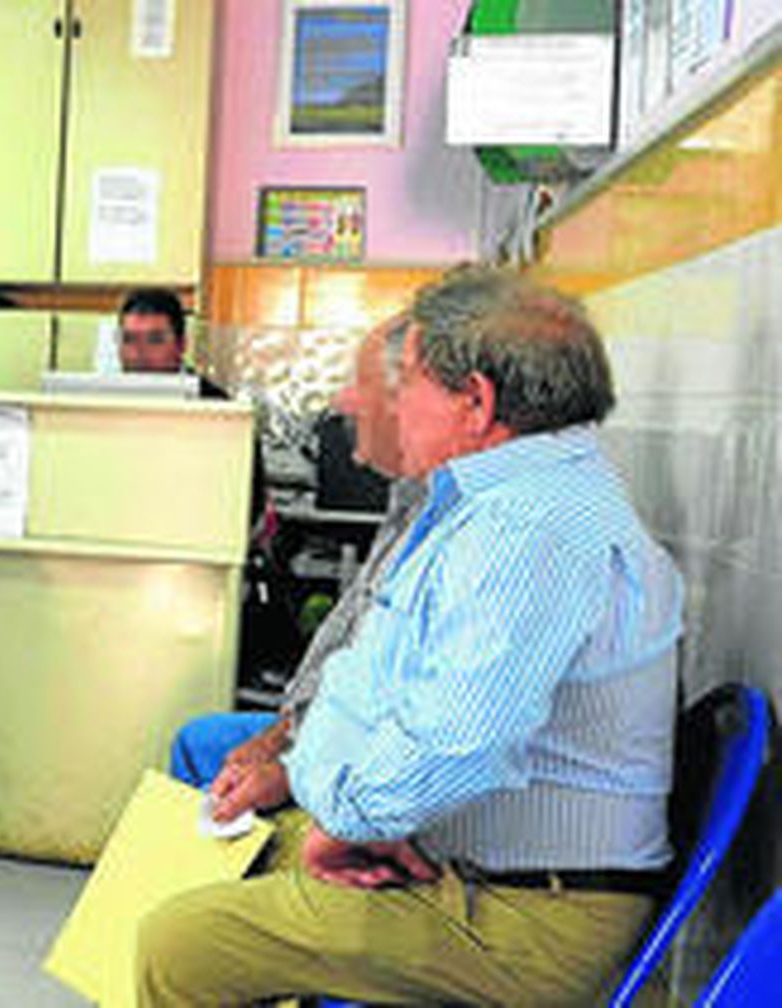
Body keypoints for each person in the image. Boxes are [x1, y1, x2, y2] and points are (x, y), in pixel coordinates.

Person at [138, 269, 685, 1006]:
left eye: (411, 382)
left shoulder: (525, 531)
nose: (390, 402)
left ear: (475, 402)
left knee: (180, 943)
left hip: (522, 920)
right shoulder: (511, 505)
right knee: (220, 857)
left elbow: (452, 745)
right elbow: (416, 702)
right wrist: (354, 806)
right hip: (480, 869)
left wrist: (346, 816)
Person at [170, 314, 425, 823]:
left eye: (362, 384)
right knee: (200, 742)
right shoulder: (412, 495)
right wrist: (281, 734)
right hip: (322, 722)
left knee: (211, 757)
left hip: (357, 748)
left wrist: (289, 764)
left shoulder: (472, 527)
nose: (342, 402)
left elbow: (398, 712)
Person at [117, 288, 188, 374]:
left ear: (181, 344)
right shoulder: (107, 382)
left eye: (154, 340)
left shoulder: (200, 383)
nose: (138, 354)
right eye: (129, 339)